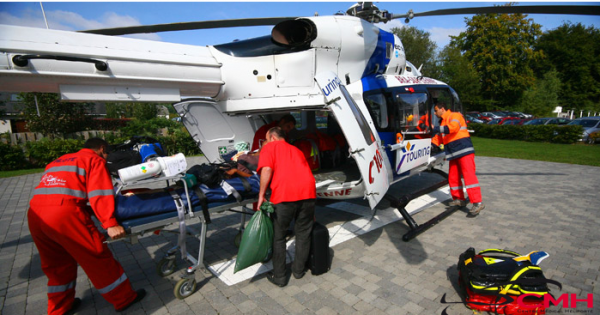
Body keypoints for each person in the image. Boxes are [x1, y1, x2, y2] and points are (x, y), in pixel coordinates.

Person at [27, 138, 145, 315]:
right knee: (95, 256)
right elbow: (100, 194)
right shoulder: (94, 160)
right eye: (107, 154)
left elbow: (62, 191)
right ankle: (124, 299)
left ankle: (59, 308)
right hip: (64, 216)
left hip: (36, 215)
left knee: (56, 264)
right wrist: (110, 223)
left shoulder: (58, 161)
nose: (107, 158)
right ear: (102, 149)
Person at [257, 127, 316, 287]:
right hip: (308, 193)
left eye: (267, 139)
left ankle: (280, 277)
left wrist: (261, 194)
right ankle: (298, 271)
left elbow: (267, 169)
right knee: (303, 233)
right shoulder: (296, 149)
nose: (266, 142)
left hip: (284, 195)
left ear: (272, 137)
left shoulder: (269, 147)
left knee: (279, 237)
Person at [432, 103, 485, 217]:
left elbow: (453, 128)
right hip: (454, 154)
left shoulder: (455, 116)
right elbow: (439, 138)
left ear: (442, 109)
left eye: (436, 110)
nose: (435, 113)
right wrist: (431, 145)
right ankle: (458, 198)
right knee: (453, 177)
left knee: (469, 177)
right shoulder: (442, 123)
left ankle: (477, 202)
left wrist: (434, 128)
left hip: (464, 151)